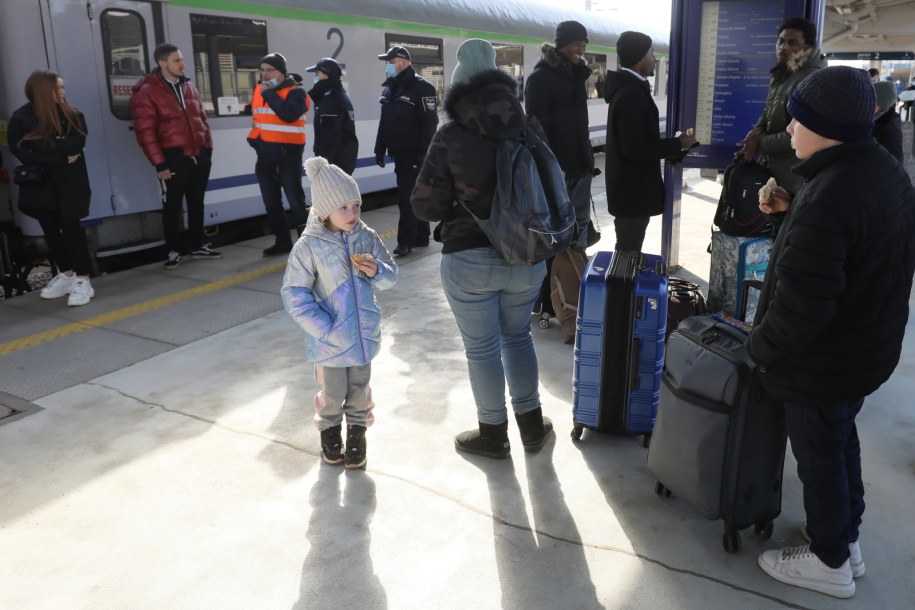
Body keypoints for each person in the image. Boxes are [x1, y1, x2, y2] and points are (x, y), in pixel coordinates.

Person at [750, 66, 915, 599]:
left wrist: (759, 349)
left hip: (822, 361)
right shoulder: (883, 172)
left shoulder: (829, 197)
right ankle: (846, 539)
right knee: (839, 443)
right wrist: (794, 211)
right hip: (862, 350)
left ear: (828, 128)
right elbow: (853, 247)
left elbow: (800, 312)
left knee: (819, 455)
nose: (790, 130)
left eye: (799, 120)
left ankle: (828, 562)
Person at [412, 39, 555, 459]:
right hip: (528, 256)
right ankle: (531, 426)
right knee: (518, 338)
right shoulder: (529, 127)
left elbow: (425, 206)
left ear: (457, 87)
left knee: (482, 349)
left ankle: (493, 436)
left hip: (468, 259)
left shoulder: (450, 134)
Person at [281, 157, 398, 469]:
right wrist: (322, 327)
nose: (352, 214)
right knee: (333, 393)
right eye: (343, 207)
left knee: (359, 390)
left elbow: (391, 276)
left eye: (356, 205)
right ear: (323, 211)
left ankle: (357, 433)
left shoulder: (367, 237)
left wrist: (378, 272)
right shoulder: (309, 247)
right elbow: (294, 293)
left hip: (362, 335)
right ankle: (330, 431)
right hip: (330, 339)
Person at [603, 31, 696, 252]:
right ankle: (620, 288)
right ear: (639, 59)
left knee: (628, 249)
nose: (654, 58)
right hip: (632, 193)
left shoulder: (629, 90)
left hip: (630, 192)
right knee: (627, 253)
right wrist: (677, 144)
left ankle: (623, 285)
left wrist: (675, 145)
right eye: (651, 53)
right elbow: (634, 148)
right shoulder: (632, 94)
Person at [131, 43, 221, 269]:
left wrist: (207, 150)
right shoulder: (147, 92)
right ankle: (173, 250)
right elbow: (145, 133)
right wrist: (159, 164)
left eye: (181, 60)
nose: (183, 64)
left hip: (198, 155)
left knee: (196, 202)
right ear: (163, 64)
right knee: (172, 205)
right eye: (177, 61)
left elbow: (202, 119)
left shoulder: (189, 86)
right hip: (173, 157)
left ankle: (198, 244)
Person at [8, 70, 94, 306]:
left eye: (62, 87)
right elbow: (19, 149)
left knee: (71, 228)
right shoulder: (21, 118)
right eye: (58, 88)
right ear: (43, 91)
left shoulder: (72, 114)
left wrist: (43, 149)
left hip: (69, 184)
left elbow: (77, 142)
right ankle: (66, 273)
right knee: (50, 230)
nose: (63, 92)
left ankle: (83, 278)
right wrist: (57, 153)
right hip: (41, 185)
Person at [737, 17, 826, 196]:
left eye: (792, 43)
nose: (783, 47)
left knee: (785, 222)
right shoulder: (783, 74)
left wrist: (760, 142)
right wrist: (757, 131)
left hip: (794, 176)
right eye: (781, 41)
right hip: (774, 170)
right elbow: (769, 110)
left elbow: (805, 134)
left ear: (807, 47)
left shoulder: (811, 79)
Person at [525, 20, 594, 247]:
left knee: (581, 222)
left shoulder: (576, 77)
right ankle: (557, 278)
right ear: (561, 45)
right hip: (559, 170)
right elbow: (536, 130)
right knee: (558, 228)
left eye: (584, 44)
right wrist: (551, 167)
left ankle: (578, 272)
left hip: (581, 166)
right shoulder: (540, 79)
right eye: (576, 43)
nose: (581, 49)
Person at [374, 45, 438, 257]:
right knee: (414, 194)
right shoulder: (390, 88)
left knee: (406, 198)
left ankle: (405, 242)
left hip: (414, 154)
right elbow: (385, 122)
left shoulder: (422, 88)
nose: (388, 67)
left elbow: (430, 124)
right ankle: (421, 235)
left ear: (402, 61)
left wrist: (422, 154)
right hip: (398, 153)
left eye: (390, 62)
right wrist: (379, 148)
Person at [248, 52, 311, 257]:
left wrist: (268, 94)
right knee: (271, 202)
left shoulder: (296, 92)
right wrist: (254, 142)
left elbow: (288, 114)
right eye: (262, 70)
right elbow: (259, 120)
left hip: (288, 155)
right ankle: (282, 241)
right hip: (265, 155)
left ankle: (307, 245)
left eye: (270, 70)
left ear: (282, 72)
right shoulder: (260, 90)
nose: (265, 74)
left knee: (295, 201)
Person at [305, 57, 358, 175]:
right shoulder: (340, 94)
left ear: (326, 74)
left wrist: (323, 165)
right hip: (343, 159)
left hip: (334, 163)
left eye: (317, 73)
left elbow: (330, 136)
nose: (316, 77)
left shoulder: (330, 99)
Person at [872, 80, 903, 162]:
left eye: (872, 99)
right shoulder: (873, 118)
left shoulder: (891, 127)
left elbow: (896, 162)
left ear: (882, 104)